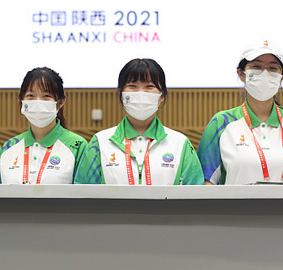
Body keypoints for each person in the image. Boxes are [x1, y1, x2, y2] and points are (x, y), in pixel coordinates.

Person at [197, 42, 283, 184]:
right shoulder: (221, 122)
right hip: (237, 201)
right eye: (257, 66)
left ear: (281, 77)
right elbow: (205, 184)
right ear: (241, 74)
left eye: (273, 68)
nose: (265, 73)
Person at [74, 59, 204, 185]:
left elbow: (195, 194)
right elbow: (83, 194)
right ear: (120, 95)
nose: (141, 93)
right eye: (132, 86)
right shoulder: (100, 143)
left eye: (149, 86)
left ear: (162, 96)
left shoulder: (180, 144)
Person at [0, 67, 88, 184]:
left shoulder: (78, 146)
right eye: (30, 95)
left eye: (46, 96)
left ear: (60, 103)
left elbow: (83, 192)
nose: (38, 102)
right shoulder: (9, 146)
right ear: (22, 101)